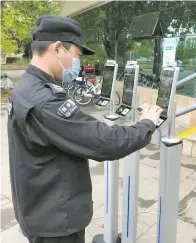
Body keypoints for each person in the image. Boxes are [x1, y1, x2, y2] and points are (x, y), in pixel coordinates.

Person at [7, 15, 163, 243]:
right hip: (56, 223)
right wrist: (146, 124)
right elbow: (105, 142)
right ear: (58, 49)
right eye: (77, 55)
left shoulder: (24, 88)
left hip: (37, 209)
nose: (76, 64)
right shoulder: (45, 101)